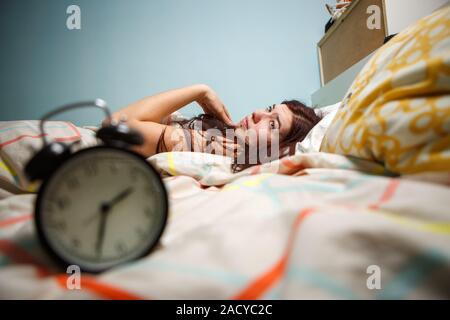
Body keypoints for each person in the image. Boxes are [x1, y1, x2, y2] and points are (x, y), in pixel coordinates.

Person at [104, 84, 321, 172]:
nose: (257, 114)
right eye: (268, 108)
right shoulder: (225, 135)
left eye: (272, 124)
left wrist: (201, 91)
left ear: (280, 150)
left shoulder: (221, 147)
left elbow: (114, 127)